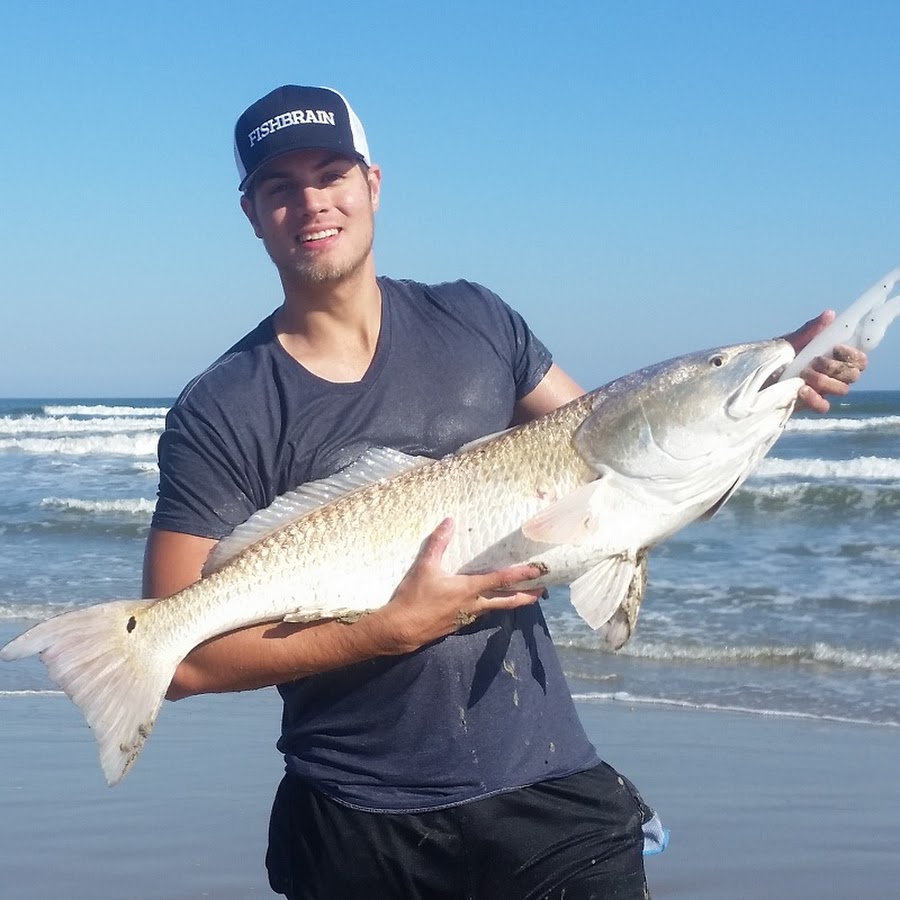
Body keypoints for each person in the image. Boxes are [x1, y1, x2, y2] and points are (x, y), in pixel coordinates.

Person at [143, 85, 866, 899]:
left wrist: (769, 381)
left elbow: (617, 445)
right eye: (281, 187)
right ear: (251, 211)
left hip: (544, 787)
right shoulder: (221, 407)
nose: (313, 202)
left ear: (372, 184)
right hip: (354, 815)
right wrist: (381, 632)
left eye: (331, 173)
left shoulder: (477, 320)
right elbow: (179, 659)